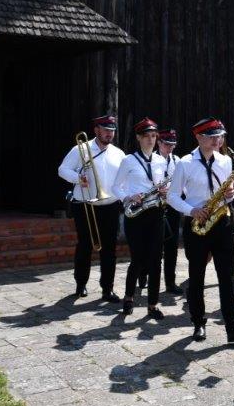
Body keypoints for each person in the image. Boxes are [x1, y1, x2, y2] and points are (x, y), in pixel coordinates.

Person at [166, 117, 234, 343]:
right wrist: (191, 210)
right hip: (198, 223)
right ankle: (198, 323)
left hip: (223, 222)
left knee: (227, 276)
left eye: (220, 136)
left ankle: (233, 326)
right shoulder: (185, 163)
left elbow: (228, 192)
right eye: (213, 136)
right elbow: (172, 196)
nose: (218, 140)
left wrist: (230, 195)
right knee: (197, 276)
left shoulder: (225, 161)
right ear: (199, 137)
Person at [58, 114, 125, 300]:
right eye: (106, 130)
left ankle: (107, 288)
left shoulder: (118, 153)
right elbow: (62, 170)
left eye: (112, 131)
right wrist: (78, 178)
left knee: (109, 248)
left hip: (110, 205)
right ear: (97, 130)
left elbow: (126, 178)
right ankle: (81, 284)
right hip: (85, 205)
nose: (110, 134)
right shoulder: (81, 149)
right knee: (85, 245)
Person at [112, 118, 167, 319]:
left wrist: (164, 190)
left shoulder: (161, 160)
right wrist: (128, 197)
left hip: (156, 213)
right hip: (136, 214)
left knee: (156, 260)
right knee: (138, 259)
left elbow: (163, 184)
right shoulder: (128, 160)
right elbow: (116, 187)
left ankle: (152, 304)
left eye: (154, 136)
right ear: (138, 138)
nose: (151, 140)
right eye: (146, 137)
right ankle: (129, 297)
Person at [157, 128, 184, 295]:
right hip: (155, 207)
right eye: (167, 144)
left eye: (173, 145)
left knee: (172, 246)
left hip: (172, 207)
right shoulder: (151, 160)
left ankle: (170, 282)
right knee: (153, 246)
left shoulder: (177, 160)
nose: (170, 148)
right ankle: (143, 274)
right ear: (159, 143)